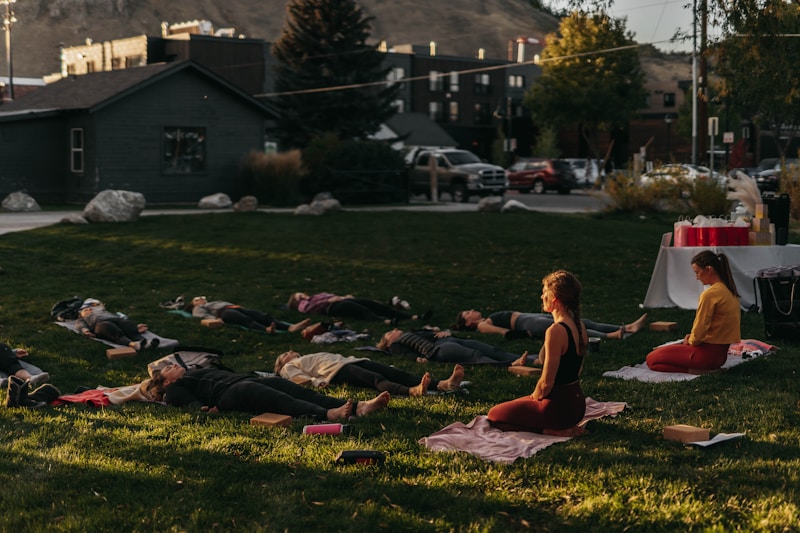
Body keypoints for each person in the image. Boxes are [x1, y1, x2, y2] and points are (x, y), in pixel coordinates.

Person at [486, 270, 588, 436]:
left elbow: (546, 384)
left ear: (554, 297)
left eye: (544, 293)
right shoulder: (580, 326)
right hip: (577, 406)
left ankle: (552, 431)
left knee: (494, 415)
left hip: (558, 410)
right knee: (517, 405)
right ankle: (560, 426)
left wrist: (534, 398)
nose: (542, 297)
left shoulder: (556, 330)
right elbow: (578, 370)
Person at [150, 364, 390, 421]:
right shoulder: (176, 389)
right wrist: (201, 409)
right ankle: (328, 414)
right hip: (232, 393)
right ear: (167, 382)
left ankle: (360, 407)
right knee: (283, 401)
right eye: (168, 369)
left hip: (244, 380)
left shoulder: (196, 371)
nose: (173, 365)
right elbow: (186, 403)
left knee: (298, 391)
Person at [646, 251, 740, 373]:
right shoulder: (728, 290)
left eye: (697, 272)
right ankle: (699, 368)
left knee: (651, 359)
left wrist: (690, 341)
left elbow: (700, 328)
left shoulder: (710, 295)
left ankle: (697, 370)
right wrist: (691, 338)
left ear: (708, 269)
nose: (697, 277)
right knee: (661, 354)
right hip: (720, 357)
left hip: (705, 357)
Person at [275, 350, 465, 397]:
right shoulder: (287, 367)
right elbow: (296, 378)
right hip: (336, 371)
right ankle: (412, 391)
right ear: (281, 363)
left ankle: (443, 384)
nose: (290, 353)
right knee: (376, 380)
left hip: (353, 361)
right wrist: (317, 383)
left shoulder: (305, 356)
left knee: (396, 373)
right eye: (285, 354)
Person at [455, 309, 648, 340]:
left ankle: (625, 328)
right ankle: (611, 335)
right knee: (570, 327)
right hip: (528, 323)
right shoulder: (482, 326)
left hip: (530, 318)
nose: (472, 311)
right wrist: (527, 334)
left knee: (580, 321)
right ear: (469, 322)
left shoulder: (484, 319)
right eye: (468, 313)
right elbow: (504, 333)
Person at [377, 328, 528, 366]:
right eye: (390, 333)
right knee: (475, 355)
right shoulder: (395, 345)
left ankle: (531, 360)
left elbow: (429, 333)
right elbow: (403, 354)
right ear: (388, 343)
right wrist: (417, 358)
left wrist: (443, 332)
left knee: (488, 348)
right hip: (437, 350)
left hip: (445, 341)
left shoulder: (411, 333)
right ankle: (510, 365)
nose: (395, 331)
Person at [287, 292, 431, 325]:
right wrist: (332, 299)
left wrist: (343, 296)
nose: (303, 293)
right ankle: (385, 321)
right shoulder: (303, 304)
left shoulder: (313, 296)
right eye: (299, 294)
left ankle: (410, 317)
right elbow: (311, 309)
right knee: (359, 309)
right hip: (332, 307)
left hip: (340, 301)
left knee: (371, 303)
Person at [185, 296, 311, 334]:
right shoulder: (198, 308)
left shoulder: (211, 302)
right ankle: (266, 330)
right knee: (245, 320)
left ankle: (289, 327)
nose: (202, 298)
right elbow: (201, 316)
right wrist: (215, 319)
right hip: (224, 313)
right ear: (193, 303)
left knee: (263, 316)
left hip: (236, 308)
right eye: (198, 298)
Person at [75, 298, 156, 351]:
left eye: (90, 309)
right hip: (100, 324)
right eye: (86, 310)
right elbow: (80, 325)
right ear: (80, 314)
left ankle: (144, 342)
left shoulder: (104, 312)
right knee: (113, 331)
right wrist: (85, 330)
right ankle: (133, 344)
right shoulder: (82, 319)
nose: (89, 309)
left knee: (127, 324)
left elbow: (120, 319)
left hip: (116, 320)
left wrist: (135, 327)